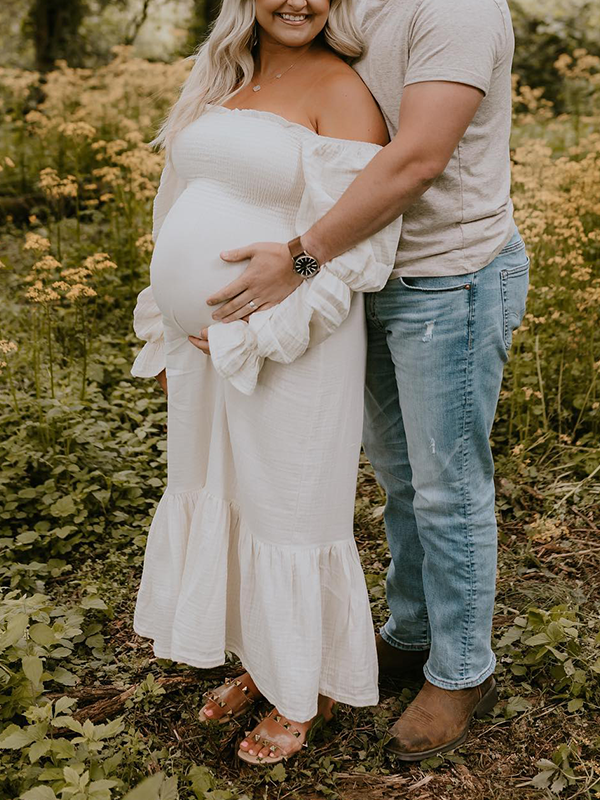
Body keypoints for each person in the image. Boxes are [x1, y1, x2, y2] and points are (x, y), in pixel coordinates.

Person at [204, 0, 529, 761]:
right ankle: (411, 636)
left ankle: (461, 671)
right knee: (398, 478)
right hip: (363, 278)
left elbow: (419, 157)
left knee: (447, 487)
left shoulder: (458, 10)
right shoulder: (342, 1)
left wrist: (303, 256)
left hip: (445, 280)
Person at [130, 0, 402, 767]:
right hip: (205, 345)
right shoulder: (220, 78)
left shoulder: (341, 90)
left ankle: (299, 693)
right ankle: (266, 659)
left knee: (289, 510)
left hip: (288, 344)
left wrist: (256, 336)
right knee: (233, 495)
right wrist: (165, 328)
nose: (298, 1)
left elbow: (358, 244)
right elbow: (174, 207)